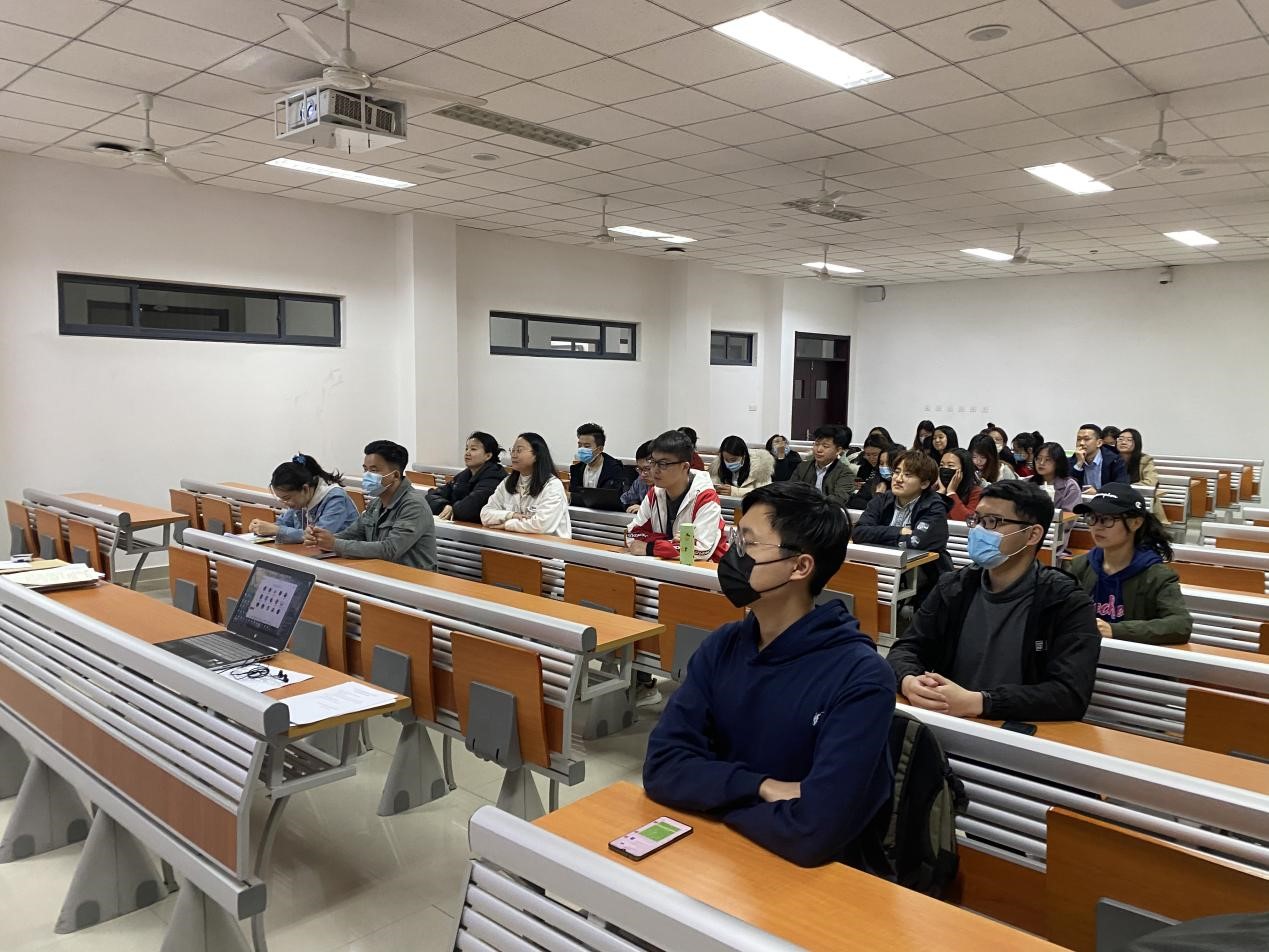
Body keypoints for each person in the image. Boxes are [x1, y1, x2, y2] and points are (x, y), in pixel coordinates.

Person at [643, 481, 896, 869]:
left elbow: (813, 831)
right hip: (717, 860)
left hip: (807, 881)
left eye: (748, 543)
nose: (732, 554)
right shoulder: (723, 645)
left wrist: (711, 796)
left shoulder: (861, 677)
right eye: (735, 538)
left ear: (800, 566)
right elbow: (662, 767)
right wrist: (759, 787)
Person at [887, 481, 1101, 722]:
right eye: (976, 520)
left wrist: (979, 702)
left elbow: (1069, 694)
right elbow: (906, 648)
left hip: (1019, 728)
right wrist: (908, 680)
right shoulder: (954, 587)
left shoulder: (1065, 601)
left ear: (1032, 534)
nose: (979, 530)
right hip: (949, 720)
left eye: (992, 522)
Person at [1068, 484, 1192, 645]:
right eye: (1092, 518)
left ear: (1135, 523)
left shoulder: (1156, 575)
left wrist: (1115, 630)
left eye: (1107, 519)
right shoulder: (1081, 566)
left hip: (1132, 657)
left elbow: (1181, 624)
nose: (1097, 527)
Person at [309, 440, 436, 569]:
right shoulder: (376, 504)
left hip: (411, 576)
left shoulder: (414, 505)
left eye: (374, 470)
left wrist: (334, 544)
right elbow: (353, 534)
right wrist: (320, 538)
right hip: (380, 569)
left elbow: (390, 549)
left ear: (395, 475)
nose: (367, 475)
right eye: (365, 469)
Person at [853, 450, 952, 592]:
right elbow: (858, 533)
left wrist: (877, 535)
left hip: (925, 580)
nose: (898, 479)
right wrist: (898, 532)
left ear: (924, 483)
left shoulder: (934, 507)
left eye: (907, 475)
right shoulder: (882, 500)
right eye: (897, 472)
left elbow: (916, 543)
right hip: (880, 568)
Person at [627, 429, 728, 561]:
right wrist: (669, 542)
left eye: (663, 464)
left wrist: (650, 547)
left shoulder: (706, 498)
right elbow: (631, 535)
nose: (655, 470)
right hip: (665, 565)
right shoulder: (654, 493)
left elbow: (701, 550)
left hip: (707, 568)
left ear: (685, 467)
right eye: (653, 462)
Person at [481, 432, 572, 538]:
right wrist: (511, 515)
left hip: (551, 545)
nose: (513, 455)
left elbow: (541, 526)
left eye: (519, 450)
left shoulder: (552, 485)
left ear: (536, 455)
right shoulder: (508, 482)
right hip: (517, 542)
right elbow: (485, 514)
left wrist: (507, 525)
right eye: (512, 450)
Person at [250, 453, 358, 543]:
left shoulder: (335, 498)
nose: (285, 503)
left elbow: (318, 536)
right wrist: (262, 528)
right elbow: (284, 523)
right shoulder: (300, 500)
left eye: (287, 498)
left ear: (305, 489)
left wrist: (277, 530)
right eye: (281, 499)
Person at [426, 432, 505, 523]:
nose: (467, 453)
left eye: (473, 449)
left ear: (488, 456)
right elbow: (431, 497)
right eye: (466, 448)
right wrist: (445, 506)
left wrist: (452, 508)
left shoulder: (494, 477)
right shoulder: (464, 475)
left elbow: (468, 510)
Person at [790, 425, 854, 508]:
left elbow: (839, 499)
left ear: (838, 450)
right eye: (816, 444)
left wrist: (810, 499)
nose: (819, 450)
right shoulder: (802, 467)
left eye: (825, 446)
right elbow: (791, 490)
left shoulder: (845, 473)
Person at [1116, 427, 1169, 525]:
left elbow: (1151, 482)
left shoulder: (1145, 460)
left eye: (1129, 440)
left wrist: (1127, 489)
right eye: (1120, 439)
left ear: (1137, 443)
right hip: (1117, 499)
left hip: (1141, 499)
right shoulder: (1111, 458)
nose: (1123, 442)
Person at [569, 422, 627, 495]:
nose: (581, 449)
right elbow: (573, 495)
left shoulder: (614, 469)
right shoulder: (577, 469)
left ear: (600, 449)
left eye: (587, 446)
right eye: (580, 445)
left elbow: (614, 497)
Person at [708, 435, 775, 497]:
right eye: (726, 460)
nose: (729, 463)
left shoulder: (760, 469)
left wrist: (736, 492)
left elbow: (765, 494)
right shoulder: (717, 469)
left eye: (733, 460)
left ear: (743, 456)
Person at [1071, 423, 1129, 492]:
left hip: (1106, 498)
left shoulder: (1115, 460)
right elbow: (1067, 487)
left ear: (1099, 443)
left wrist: (1098, 492)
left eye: (1086, 439)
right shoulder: (1073, 460)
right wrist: (1079, 465)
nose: (1081, 443)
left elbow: (1122, 487)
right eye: (1079, 439)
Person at [1030, 441, 1082, 512]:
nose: (1041, 463)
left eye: (1047, 460)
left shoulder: (1070, 486)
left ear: (1058, 463)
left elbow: (1070, 515)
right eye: (1038, 458)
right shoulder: (1027, 482)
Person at [936, 448, 981, 521]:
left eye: (950, 465)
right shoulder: (934, 489)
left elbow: (967, 520)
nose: (945, 468)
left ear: (963, 470)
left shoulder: (976, 492)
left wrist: (951, 493)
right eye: (941, 465)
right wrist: (941, 492)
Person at [621, 440, 653, 513]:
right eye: (640, 469)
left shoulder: (668, 486)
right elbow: (626, 499)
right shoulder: (641, 480)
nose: (642, 475)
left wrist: (646, 510)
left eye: (647, 469)